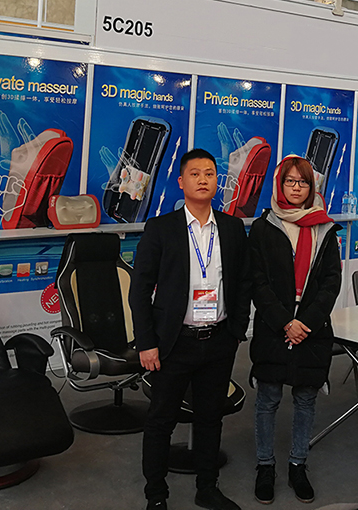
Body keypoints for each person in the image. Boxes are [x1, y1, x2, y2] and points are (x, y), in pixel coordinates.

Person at [129, 148, 252, 510]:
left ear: (217, 182)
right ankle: (156, 496)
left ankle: (207, 488)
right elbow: (140, 289)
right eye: (195, 174)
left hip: (218, 340)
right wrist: (146, 342)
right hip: (173, 343)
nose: (203, 180)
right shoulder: (161, 228)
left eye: (210, 174)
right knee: (160, 421)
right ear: (181, 182)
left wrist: (237, 330)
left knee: (210, 419)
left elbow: (243, 282)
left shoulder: (231, 228)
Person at [248, 156, 342, 504]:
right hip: (274, 326)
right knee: (268, 398)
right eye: (290, 181)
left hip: (312, 328)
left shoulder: (325, 228)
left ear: (311, 187)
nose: (297, 187)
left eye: (303, 182)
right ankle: (265, 466)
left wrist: (306, 322)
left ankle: (298, 464)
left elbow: (331, 281)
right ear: (280, 185)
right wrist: (284, 322)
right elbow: (257, 280)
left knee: (305, 399)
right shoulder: (264, 227)